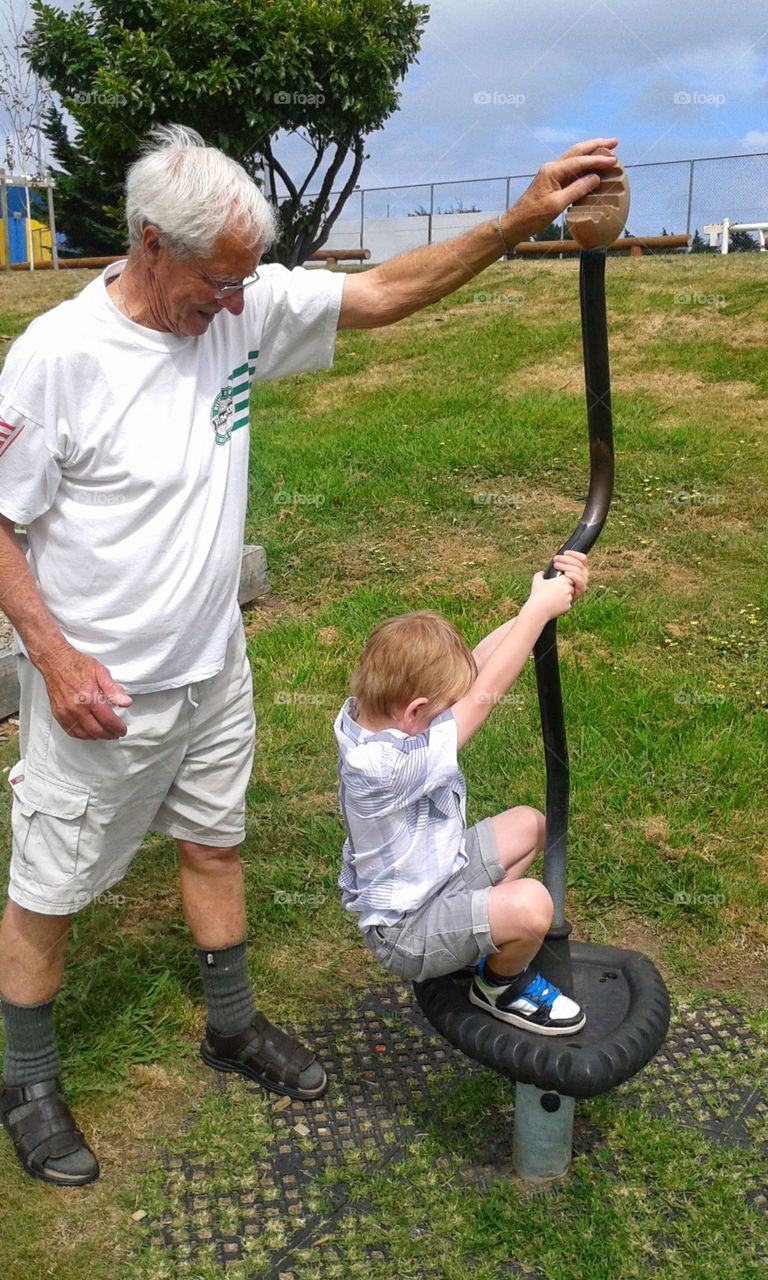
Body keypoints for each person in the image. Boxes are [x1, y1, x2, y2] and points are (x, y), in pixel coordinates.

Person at [0, 121, 617, 1186]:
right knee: (48, 885)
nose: (237, 302)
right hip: (99, 689)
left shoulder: (234, 312)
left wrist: (520, 221)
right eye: (218, 279)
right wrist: (53, 662)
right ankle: (27, 1078)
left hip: (212, 669)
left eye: (246, 279)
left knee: (214, 843)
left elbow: (384, 292)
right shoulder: (57, 359)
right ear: (152, 244)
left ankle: (231, 1024)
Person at [334, 551, 589, 1034]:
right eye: (443, 710)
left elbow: (473, 669)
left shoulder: (376, 716)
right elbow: (482, 697)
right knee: (535, 904)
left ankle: (473, 937)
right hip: (407, 932)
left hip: (439, 879)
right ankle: (499, 986)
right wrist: (536, 613)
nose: (453, 714)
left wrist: (541, 605)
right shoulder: (384, 766)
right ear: (416, 712)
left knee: (531, 825)